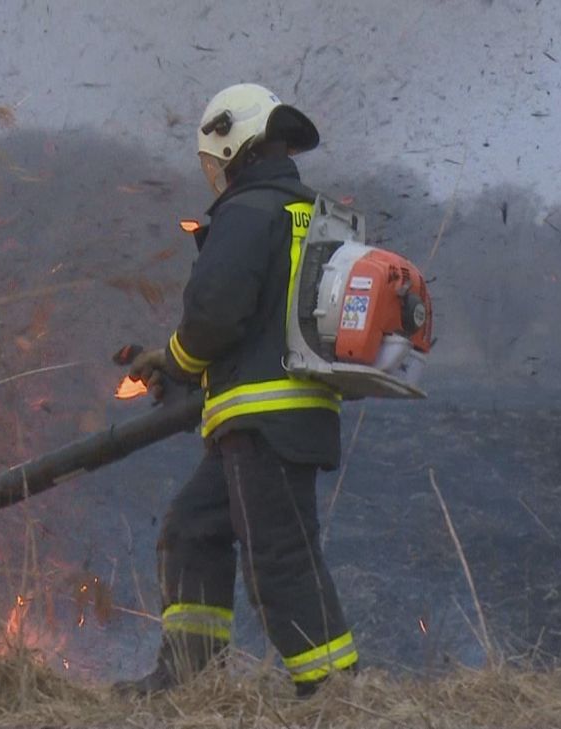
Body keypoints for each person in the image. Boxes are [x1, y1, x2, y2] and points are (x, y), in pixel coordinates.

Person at [116, 83, 357, 699]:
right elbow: (266, 317)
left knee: (280, 559)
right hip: (286, 416)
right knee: (193, 527)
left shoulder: (248, 212)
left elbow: (216, 314)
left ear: (231, 144)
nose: (212, 173)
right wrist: (183, 368)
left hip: (263, 420)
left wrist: (175, 359)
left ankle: (335, 694)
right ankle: (188, 678)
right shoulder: (311, 213)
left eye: (211, 159)